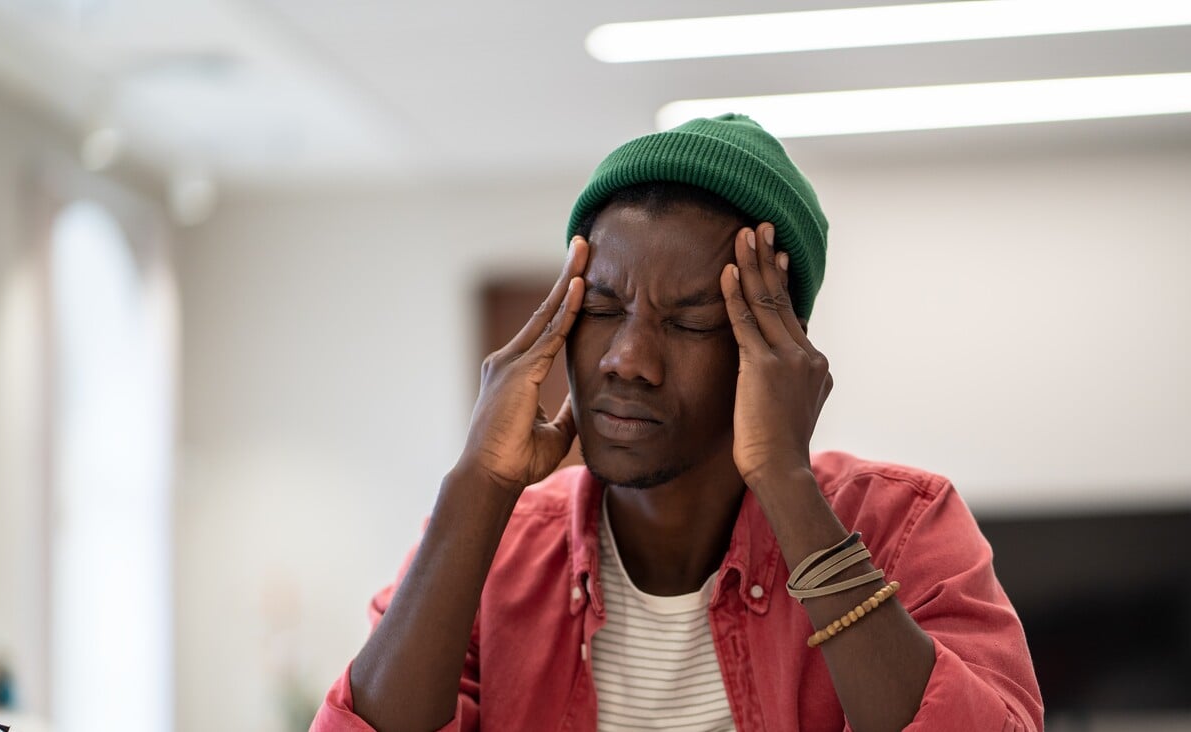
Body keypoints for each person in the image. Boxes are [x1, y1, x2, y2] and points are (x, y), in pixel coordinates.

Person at [311, 114, 1043, 732]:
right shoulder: (497, 549)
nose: (626, 359)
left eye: (690, 321)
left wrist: (788, 482)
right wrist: (478, 484)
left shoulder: (903, 525)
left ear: (774, 349)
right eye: (598, 310)